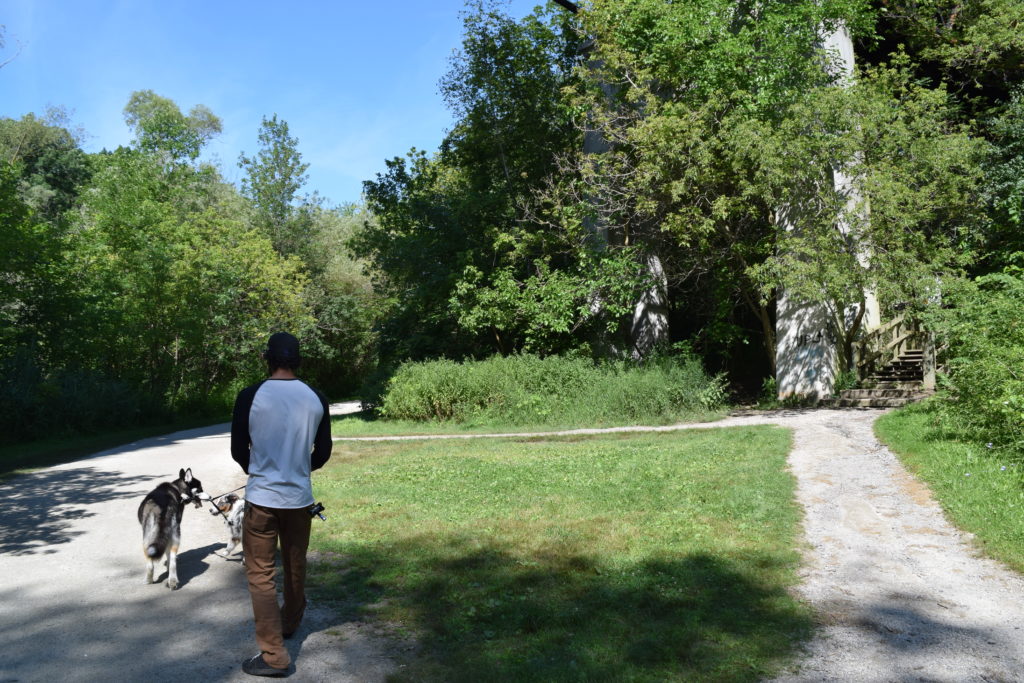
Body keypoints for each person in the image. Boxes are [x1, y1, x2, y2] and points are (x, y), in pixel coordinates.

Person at [231, 332, 332, 677]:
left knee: (260, 574)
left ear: (267, 358)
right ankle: (290, 624)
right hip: (299, 499)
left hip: (261, 498)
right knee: (294, 563)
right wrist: (300, 469)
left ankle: (274, 656)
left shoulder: (249, 396)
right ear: (298, 360)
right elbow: (324, 452)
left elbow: (237, 450)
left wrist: (258, 471)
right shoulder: (316, 398)